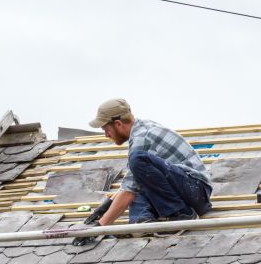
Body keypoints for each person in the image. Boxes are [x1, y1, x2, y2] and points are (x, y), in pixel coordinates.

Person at [79, 99, 212, 239]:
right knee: (138, 178)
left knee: (137, 162)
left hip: (196, 190)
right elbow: (130, 183)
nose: (106, 135)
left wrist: (99, 228)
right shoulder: (139, 129)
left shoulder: (142, 137)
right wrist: (104, 207)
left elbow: (129, 191)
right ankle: (142, 223)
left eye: (106, 129)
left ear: (118, 124)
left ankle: (182, 214)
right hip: (187, 190)